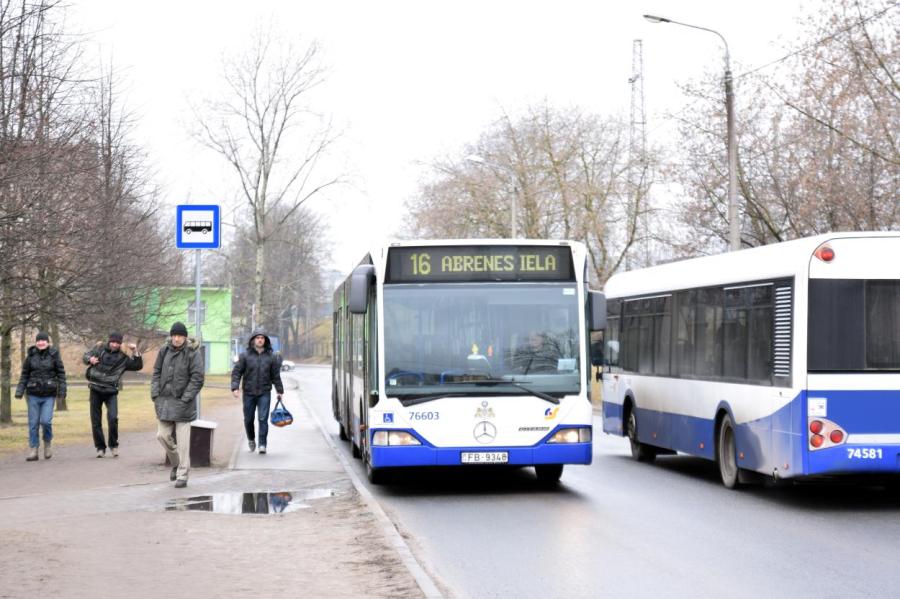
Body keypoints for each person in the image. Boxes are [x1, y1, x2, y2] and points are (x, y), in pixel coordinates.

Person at [151, 322, 204, 488]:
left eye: (180, 336)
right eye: (174, 335)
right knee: (162, 435)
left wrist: (185, 398)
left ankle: (182, 475)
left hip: (183, 404)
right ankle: (176, 463)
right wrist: (155, 393)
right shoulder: (163, 351)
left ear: (185, 337)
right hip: (164, 402)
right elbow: (156, 372)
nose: (176, 338)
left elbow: (197, 378)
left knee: (183, 444)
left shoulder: (192, 353)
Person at [83, 332, 144, 458]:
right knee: (96, 421)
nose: (115, 345)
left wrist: (135, 351)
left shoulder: (123, 357)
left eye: (117, 343)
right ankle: (100, 448)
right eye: (113, 342)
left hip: (111, 391)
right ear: (109, 341)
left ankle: (113, 445)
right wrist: (90, 359)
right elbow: (85, 356)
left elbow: (138, 365)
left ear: (120, 344)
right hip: (95, 388)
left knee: (113, 418)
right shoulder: (99, 349)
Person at [15, 331, 67, 462]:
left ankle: (47, 443)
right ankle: (33, 450)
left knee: (45, 421)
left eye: (43, 340)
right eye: (38, 340)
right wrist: (20, 390)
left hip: (49, 395)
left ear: (48, 342)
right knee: (33, 423)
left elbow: (61, 374)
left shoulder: (54, 355)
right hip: (33, 394)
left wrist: (62, 391)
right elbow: (24, 375)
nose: (41, 342)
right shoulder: (31, 356)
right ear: (36, 342)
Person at [231, 329, 284, 455]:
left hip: (264, 392)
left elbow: (275, 375)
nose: (260, 340)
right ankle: (251, 439)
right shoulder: (245, 356)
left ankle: (262, 444)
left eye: (262, 338)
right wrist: (235, 387)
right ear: (253, 340)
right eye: (257, 337)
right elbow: (237, 372)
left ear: (265, 340)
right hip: (249, 392)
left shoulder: (271, 357)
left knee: (262, 419)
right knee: (248, 419)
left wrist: (279, 390)